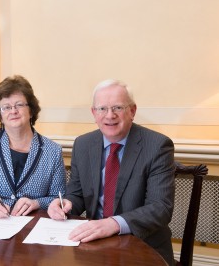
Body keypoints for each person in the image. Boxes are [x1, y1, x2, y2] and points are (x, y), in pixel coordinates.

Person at [47, 79, 175, 265]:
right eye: (102, 109)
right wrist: (64, 205)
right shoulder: (83, 144)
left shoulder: (157, 146)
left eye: (117, 108)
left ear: (132, 111)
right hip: (94, 245)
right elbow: (77, 194)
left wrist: (114, 223)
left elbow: (160, 207)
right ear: (93, 113)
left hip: (143, 246)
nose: (109, 115)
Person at [0, 75, 66, 218]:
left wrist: (36, 203)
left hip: (31, 225)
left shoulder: (52, 151)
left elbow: (58, 198)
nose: (13, 111)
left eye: (19, 105)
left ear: (31, 110)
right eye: (6, 107)